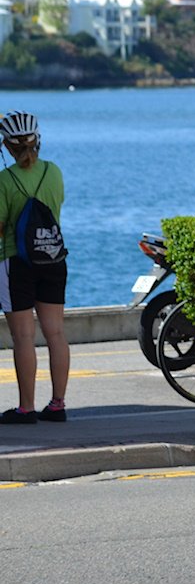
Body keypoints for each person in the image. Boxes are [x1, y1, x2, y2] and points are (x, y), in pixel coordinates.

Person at [0, 110, 69, 424]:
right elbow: (56, 206)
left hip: (17, 263)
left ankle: (26, 408)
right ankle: (57, 405)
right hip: (53, 258)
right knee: (55, 333)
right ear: (37, 140)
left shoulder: (4, 180)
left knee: (24, 337)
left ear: (7, 146)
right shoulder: (53, 172)